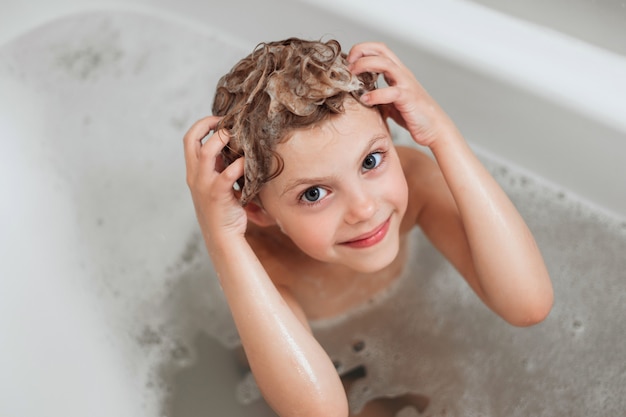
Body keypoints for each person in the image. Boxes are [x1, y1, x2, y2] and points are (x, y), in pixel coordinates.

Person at [183, 38, 553, 417]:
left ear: (391, 132)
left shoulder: (415, 179)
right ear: (258, 211)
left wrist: (441, 134)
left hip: (396, 338)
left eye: (371, 160)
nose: (363, 208)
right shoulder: (262, 263)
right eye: (313, 194)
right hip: (296, 370)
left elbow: (528, 305)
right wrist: (223, 238)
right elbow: (321, 413)